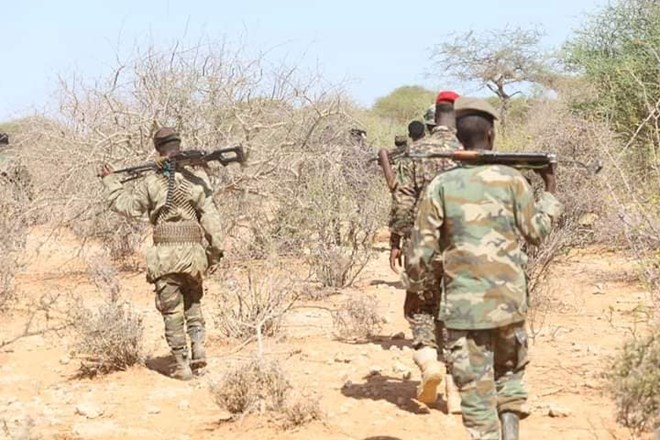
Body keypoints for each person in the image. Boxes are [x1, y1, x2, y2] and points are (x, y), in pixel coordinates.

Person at [403, 97, 562, 440]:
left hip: (464, 309)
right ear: (491, 135)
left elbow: (419, 252)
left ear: (458, 139)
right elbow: (537, 233)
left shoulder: (442, 185)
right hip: (509, 304)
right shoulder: (514, 181)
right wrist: (549, 188)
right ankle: (510, 427)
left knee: (475, 396)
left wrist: (415, 288)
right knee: (510, 378)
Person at [99, 127, 224, 381]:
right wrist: (213, 255)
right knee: (193, 302)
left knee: (172, 311)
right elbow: (212, 223)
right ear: (179, 145)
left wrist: (110, 181)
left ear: (158, 150)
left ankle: (181, 364)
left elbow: (128, 207)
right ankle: (198, 347)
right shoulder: (197, 180)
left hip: (164, 257)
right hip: (194, 256)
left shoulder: (151, 182)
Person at [389, 90, 462, 407]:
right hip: (461, 245)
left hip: (422, 244)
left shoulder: (415, 153)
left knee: (420, 308)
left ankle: (430, 361)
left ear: (431, 123)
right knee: (456, 313)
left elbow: (402, 201)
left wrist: (397, 239)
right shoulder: (469, 152)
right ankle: (456, 389)